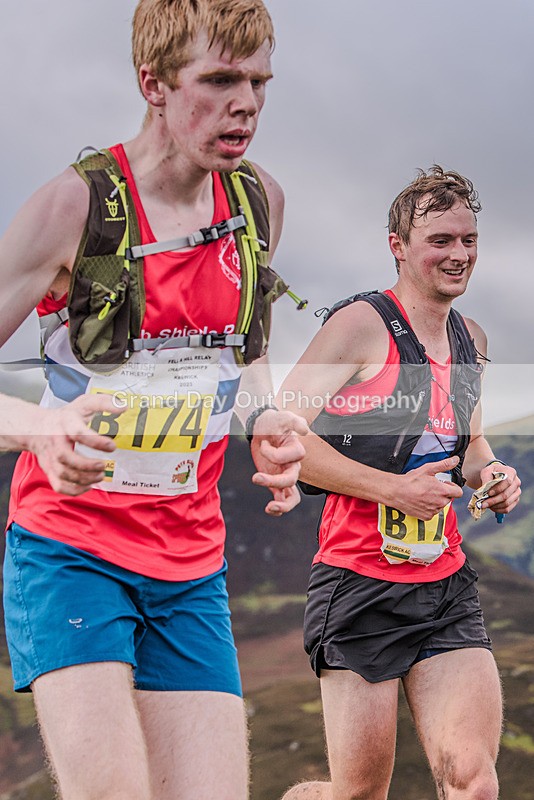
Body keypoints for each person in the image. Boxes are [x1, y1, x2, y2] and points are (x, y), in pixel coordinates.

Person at [0, 2, 308, 798]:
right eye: (219, 79)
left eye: (259, 82)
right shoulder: (72, 209)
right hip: (71, 551)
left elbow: (243, 347)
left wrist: (263, 419)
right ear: (155, 85)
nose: (246, 103)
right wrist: (38, 427)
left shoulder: (258, 206)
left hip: (190, 564)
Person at [277, 166, 521, 800]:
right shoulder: (360, 326)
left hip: (444, 587)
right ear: (399, 245)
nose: (458, 254)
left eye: (468, 240)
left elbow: (466, 447)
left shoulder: (473, 340)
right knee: (359, 793)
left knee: (474, 781)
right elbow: (279, 436)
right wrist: (391, 490)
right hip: (357, 583)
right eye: (440, 240)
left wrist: (492, 476)